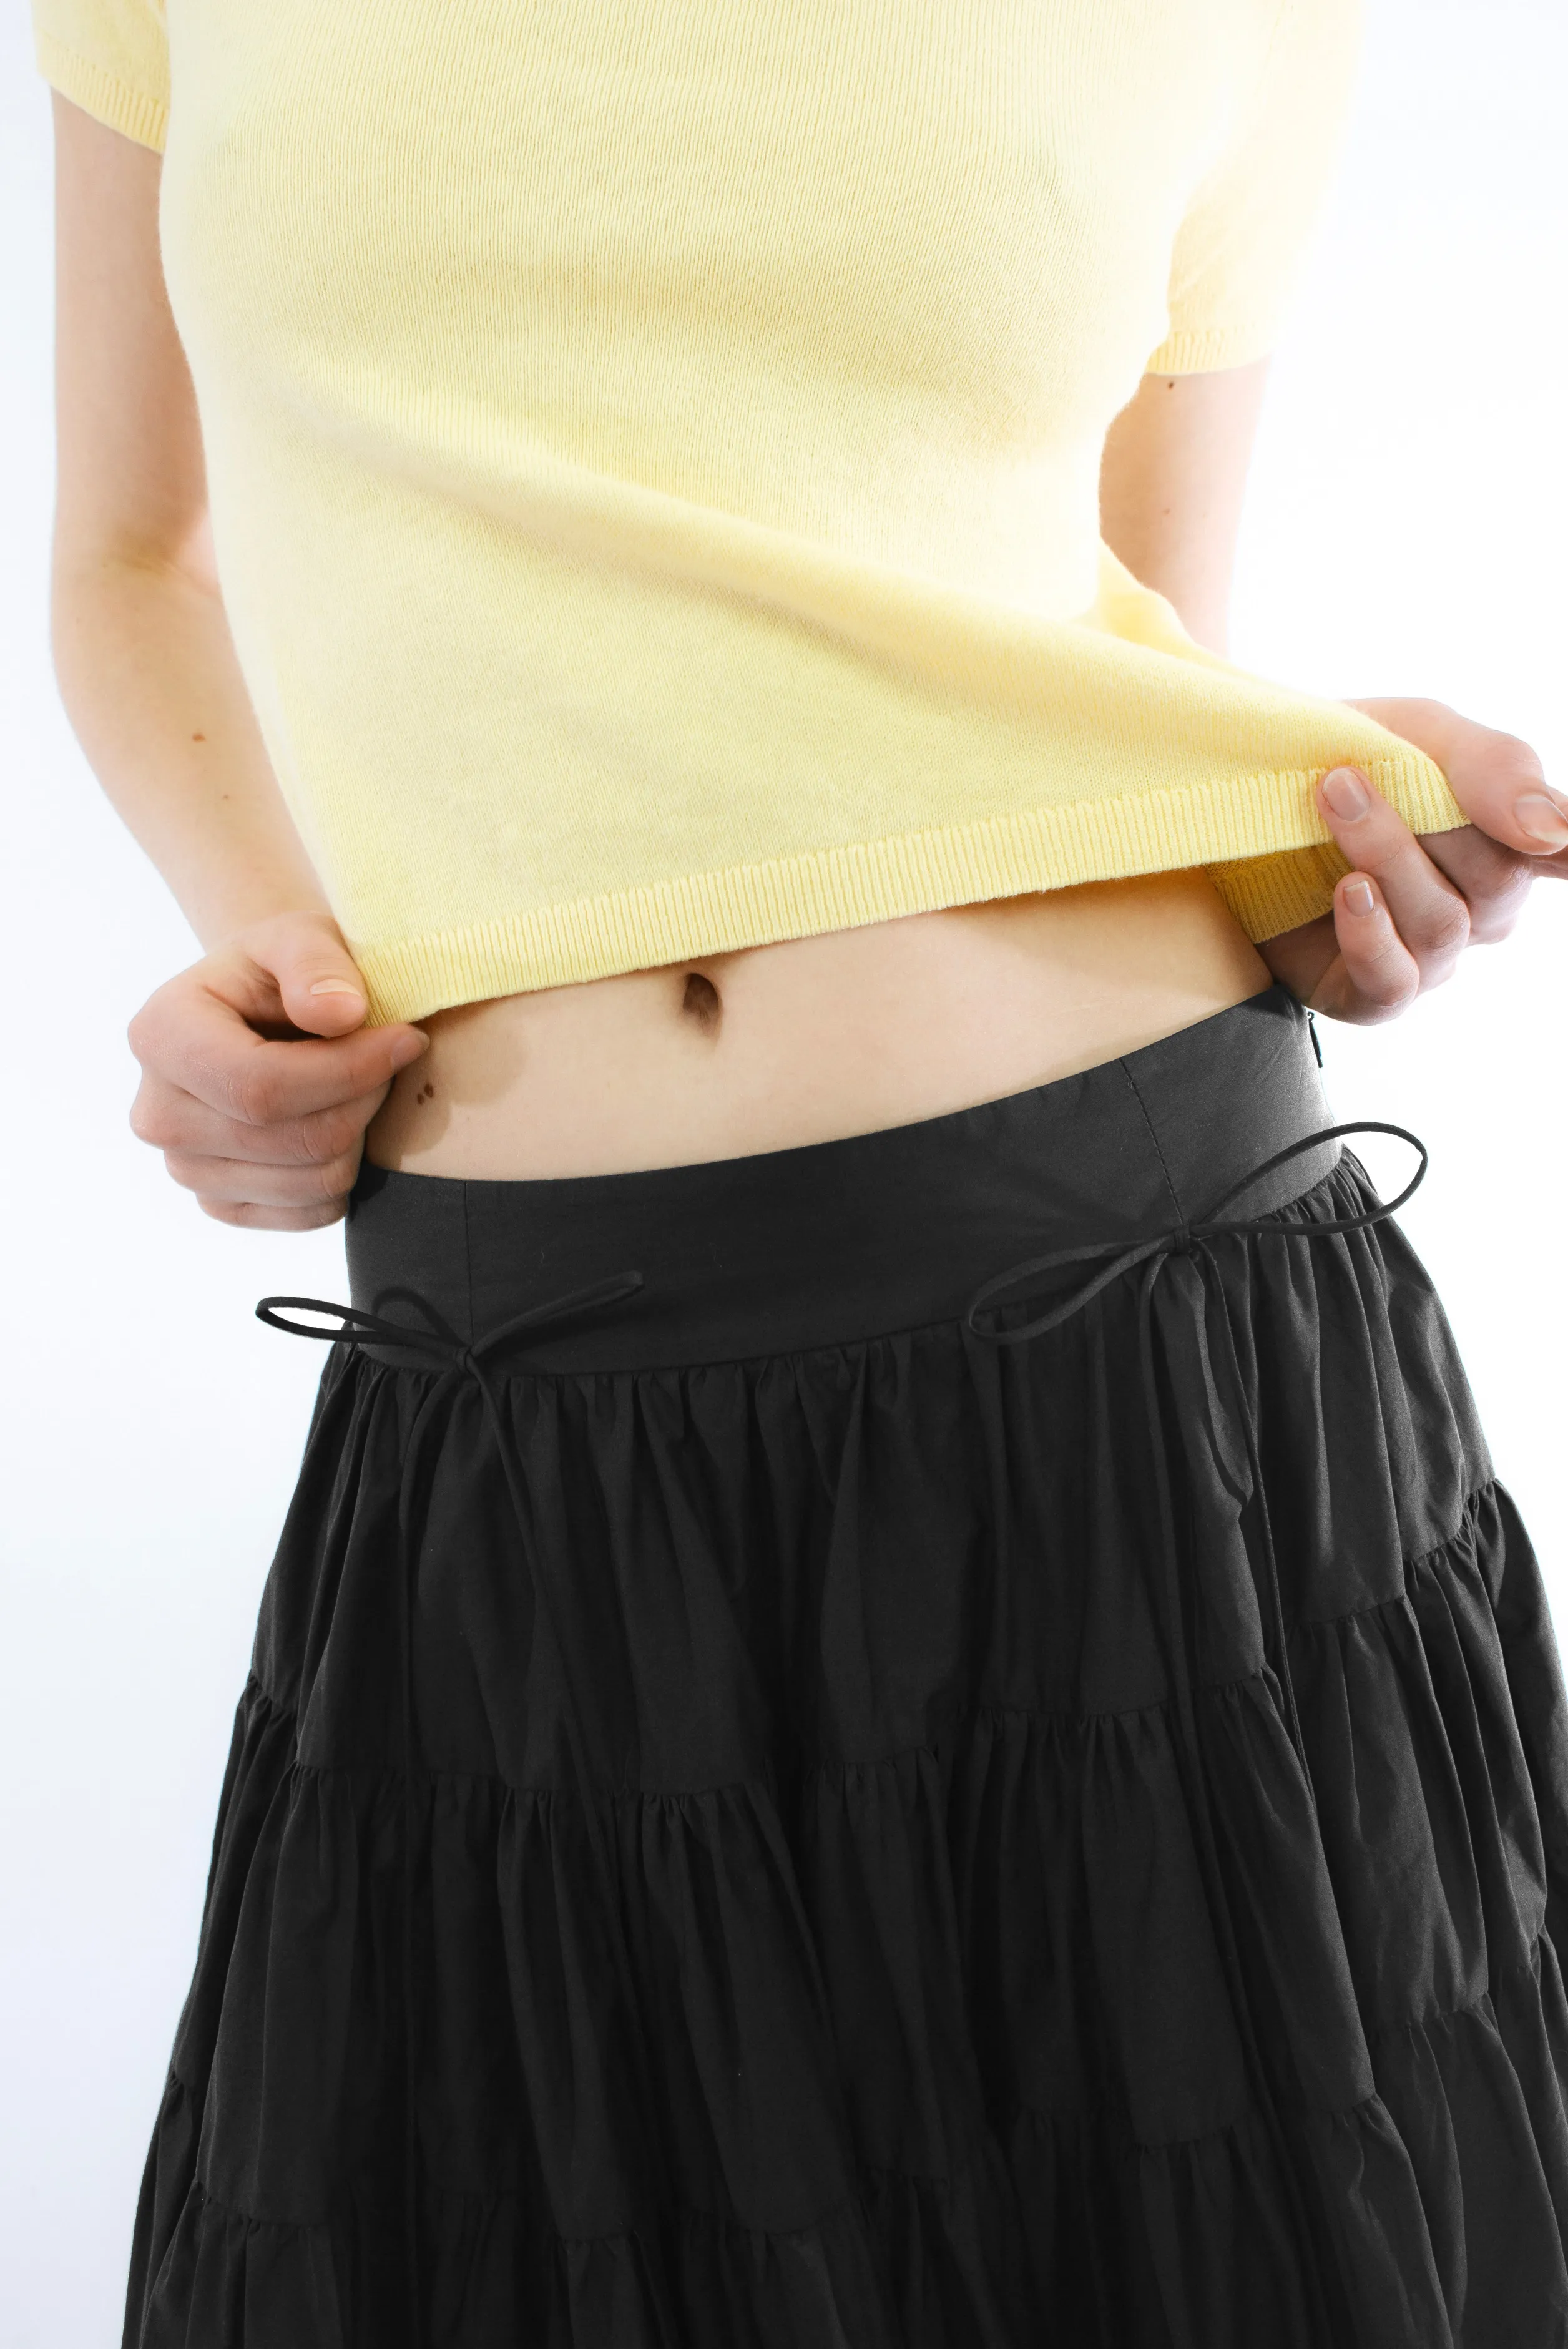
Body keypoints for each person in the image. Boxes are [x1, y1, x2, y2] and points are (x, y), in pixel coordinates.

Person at [34, 0, 1568, 2342]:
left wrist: (1329, 859)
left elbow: (1129, 628)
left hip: (1149, 1375)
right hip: (530, 1398)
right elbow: (135, 556)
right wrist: (274, 974)